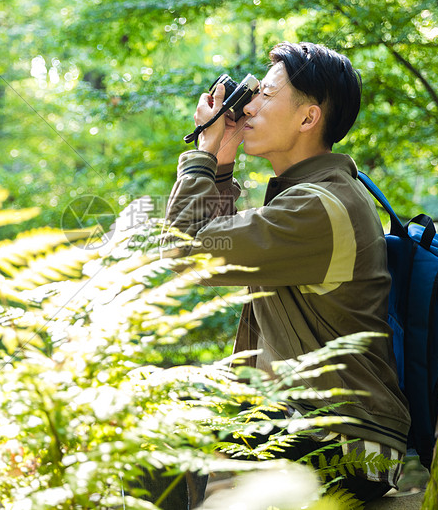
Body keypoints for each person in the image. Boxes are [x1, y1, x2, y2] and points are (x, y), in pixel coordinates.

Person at [163, 42, 411, 504]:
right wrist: (222, 157)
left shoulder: (318, 207)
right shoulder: (314, 195)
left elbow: (185, 251)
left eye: (265, 95)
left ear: (307, 118)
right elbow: (208, 245)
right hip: (315, 424)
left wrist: (203, 148)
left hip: (344, 440)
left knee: (154, 442)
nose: (248, 105)